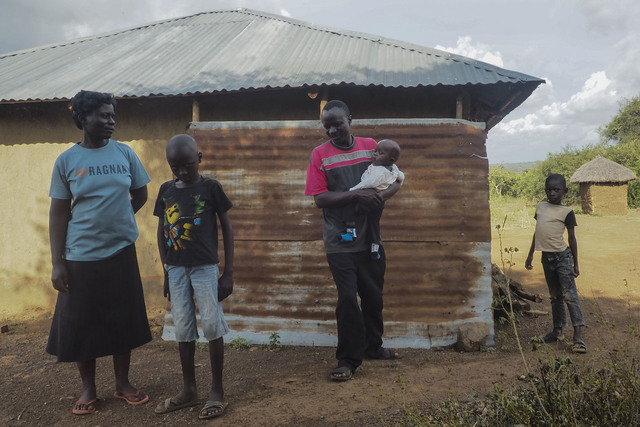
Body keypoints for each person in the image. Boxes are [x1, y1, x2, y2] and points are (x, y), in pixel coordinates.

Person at [47, 90, 152, 415]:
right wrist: (57, 263)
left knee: (123, 318)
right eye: (104, 116)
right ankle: (89, 388)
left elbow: (140, 193)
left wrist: (118, 219)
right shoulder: (67, 161)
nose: (111, 121)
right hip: (80, 256)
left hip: (121, 251)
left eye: (113, 116)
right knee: (82, 323)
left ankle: (123, 383)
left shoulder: (124, 153)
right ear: (83, 118)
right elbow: (59, 213)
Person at [305, 100, 402, 382]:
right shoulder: (320, 154)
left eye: (338, 124)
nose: (333, 130)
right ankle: (347, 359)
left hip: (370, 237)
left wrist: (379, 198)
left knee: (373, 296)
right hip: (339, 240)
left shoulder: (373, 146)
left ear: (350, 119)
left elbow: (393, 179)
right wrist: (355, 195)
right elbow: (320, 199)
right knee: (348, 298)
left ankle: (374, 347)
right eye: (327, 126)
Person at [153, 134, 234, 420]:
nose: (182, 172)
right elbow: (162, 233)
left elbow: (227, 228)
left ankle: (217, 391)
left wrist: (228, 273)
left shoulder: (211, 188)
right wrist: (165, 271)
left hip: (205, 268)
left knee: (212, 324)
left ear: (199, 159)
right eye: (175, 167)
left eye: (188, 165)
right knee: (183, 327)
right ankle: (189, 390)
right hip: (175, 270)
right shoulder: (165, 190)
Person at [525, 173, 586, 353]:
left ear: (564, 191)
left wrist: (576, 264)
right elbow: (538, 232)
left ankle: (578, 337)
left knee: (570, 295)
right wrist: (530, 255)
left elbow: (572, 238)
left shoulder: (567, 212)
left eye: (556, 190)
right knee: (555, 296)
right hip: (546, 258)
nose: (551, 193)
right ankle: (557, 331)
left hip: (562, 258)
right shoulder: (540, 207)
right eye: (548, 190)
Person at [345, 139, 404, 259]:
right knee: (374, 225)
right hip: (379, 202)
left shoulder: (379, 173)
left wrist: (353, 191)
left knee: (350, 209)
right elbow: (401, 176)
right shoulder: (392, 168)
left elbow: (367, 183)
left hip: (369, 199)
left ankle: (351, 232)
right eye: (375, 151)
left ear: (390, 160)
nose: (375, 154)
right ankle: (374, 248)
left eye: (381, 153)